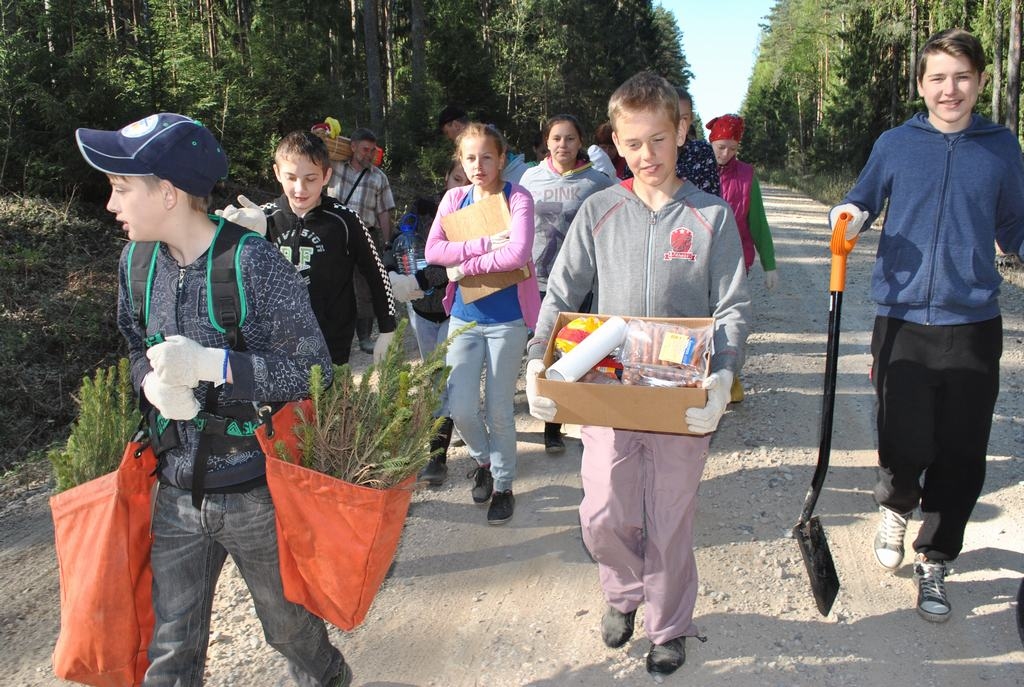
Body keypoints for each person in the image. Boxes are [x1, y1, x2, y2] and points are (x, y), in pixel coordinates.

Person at [75, 113, 353, 686]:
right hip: (174, 491)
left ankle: (330, 677)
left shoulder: (253, 263)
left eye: (122, 187)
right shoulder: (135, 264)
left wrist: (215, 366)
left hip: (255, 490)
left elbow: (313, 372)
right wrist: (147, 385)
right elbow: (133, 347)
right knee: (170, 647)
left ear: (169, 193)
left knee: (289, 629)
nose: (111, 204)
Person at [524, 73, 749, 676]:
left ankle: (669, 624)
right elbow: (562, 291)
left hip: (682, 398)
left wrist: (724, 377)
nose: (646, 155)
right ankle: (623, 592)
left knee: (671, 518)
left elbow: (730, 306)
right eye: (633, 142)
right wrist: (537, 363)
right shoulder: (600, 210)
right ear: (616, 143)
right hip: (610, 393)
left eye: (658, 139)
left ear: (680, 132)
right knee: (601, 512)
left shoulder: (711, 217)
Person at [831, 28, 1024, 623]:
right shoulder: (895, 144)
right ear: (921, 85)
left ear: (981, 83)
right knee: (904, 440)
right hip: (902, 320)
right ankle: (895, 501)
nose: (950, 89)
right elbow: (863, 199)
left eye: (962, 77)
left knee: (962, 453)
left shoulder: (1001, 147)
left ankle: (936, 559)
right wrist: (850, 215)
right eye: (938, 78)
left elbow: (1015, 227)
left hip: (973, 323)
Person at [425, 122, 540, 525]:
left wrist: (464, 266)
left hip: (508, 321)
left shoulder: (518, 196)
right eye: (470, 157)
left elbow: (517, 254)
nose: (478, 165)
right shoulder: (454, 199)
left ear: (501, 159)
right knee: (460, 407)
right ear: (461, 159)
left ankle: (504, 486)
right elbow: (434, 250)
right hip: (464, 319)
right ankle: (486, 461)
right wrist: (479, 246)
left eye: (487, 157)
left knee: (498, 409)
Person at [520, 114, 613, 453]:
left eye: (570, 138)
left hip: (578, 283)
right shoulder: (529, 178)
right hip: (536, 281)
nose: (563, 144)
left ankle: (556, 427)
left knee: (571, 353)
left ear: (580, 143)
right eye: (557, 138)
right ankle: (546, 409)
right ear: (546, 141)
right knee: (539, 350)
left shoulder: (597, 182)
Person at [262, 131, 396, 365]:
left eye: (311, 178)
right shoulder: (263, 218)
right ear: (277, 173)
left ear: (326, 177)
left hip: (331, 343)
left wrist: (388, 328)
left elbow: (377, 274)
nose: (300, 188)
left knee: (328, 402)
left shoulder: (345, 220)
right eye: (291, 177)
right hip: (275, 343)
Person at [706, 113, 778, 403]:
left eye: (732, 148)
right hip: (699, 259)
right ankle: (697, 378)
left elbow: (757, 222)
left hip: (736, 261)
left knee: (728, 322)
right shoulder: (695, 170)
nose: (726, 154)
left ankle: (729, 378)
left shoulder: (746, 175)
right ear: (711, 143)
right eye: (721, 147)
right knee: (700, 321)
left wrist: (769, 263)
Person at [327, 127, 395, 354]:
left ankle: (365, 337)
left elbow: (384, 212)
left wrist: (387, 244)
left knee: (365, 287)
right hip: (332, 234)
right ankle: (331, 335)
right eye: (365, 149)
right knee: (332, 284)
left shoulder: (378, 177)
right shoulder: (333, 167)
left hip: (365, 234)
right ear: (353, 147)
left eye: (372, 151)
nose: (368, 154)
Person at [674, 88, 720, 196]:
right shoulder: (647, 150)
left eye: (684, 118)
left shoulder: (702, 152)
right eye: (673, 117)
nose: (679, 124)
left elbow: (712, 199)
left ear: (691, 119)